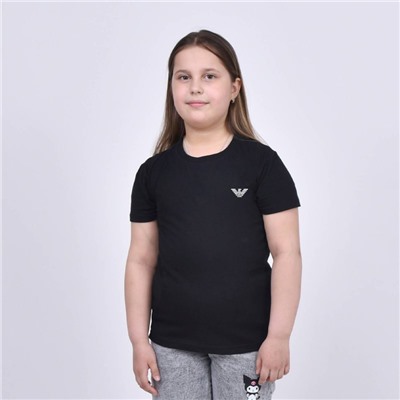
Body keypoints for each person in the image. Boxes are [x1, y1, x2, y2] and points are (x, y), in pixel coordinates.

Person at [124, 29, 302, 400]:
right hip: (171, 345)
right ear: (171, 87)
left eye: (209, 76)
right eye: (183, 77)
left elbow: (287, 252)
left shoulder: (262, 165)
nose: (195, 88)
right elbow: (141, 259)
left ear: (235, 88)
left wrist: (279, 336)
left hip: (247, 344)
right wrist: (139, 341)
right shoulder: (153, 173)